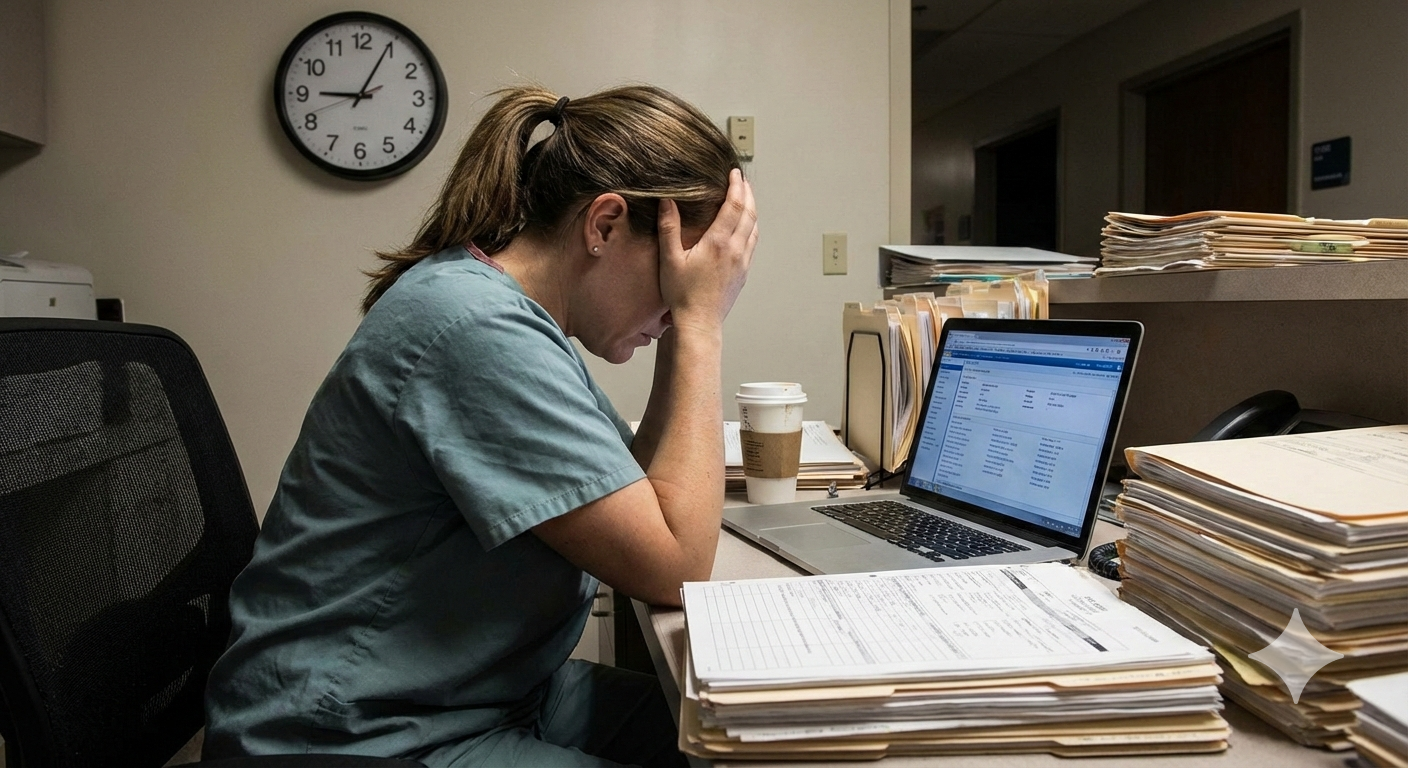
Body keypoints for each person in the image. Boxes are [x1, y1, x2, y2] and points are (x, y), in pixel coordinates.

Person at [203, 84, 757, 767]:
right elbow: (673, 568)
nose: (683, 293)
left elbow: (642, 495)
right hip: (351, 734)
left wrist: (681, 324)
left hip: (476, 696)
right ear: (605, 224)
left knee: (748, 745)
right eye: (678, 270)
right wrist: (699, 324)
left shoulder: (510, 312)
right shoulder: (476, 328)